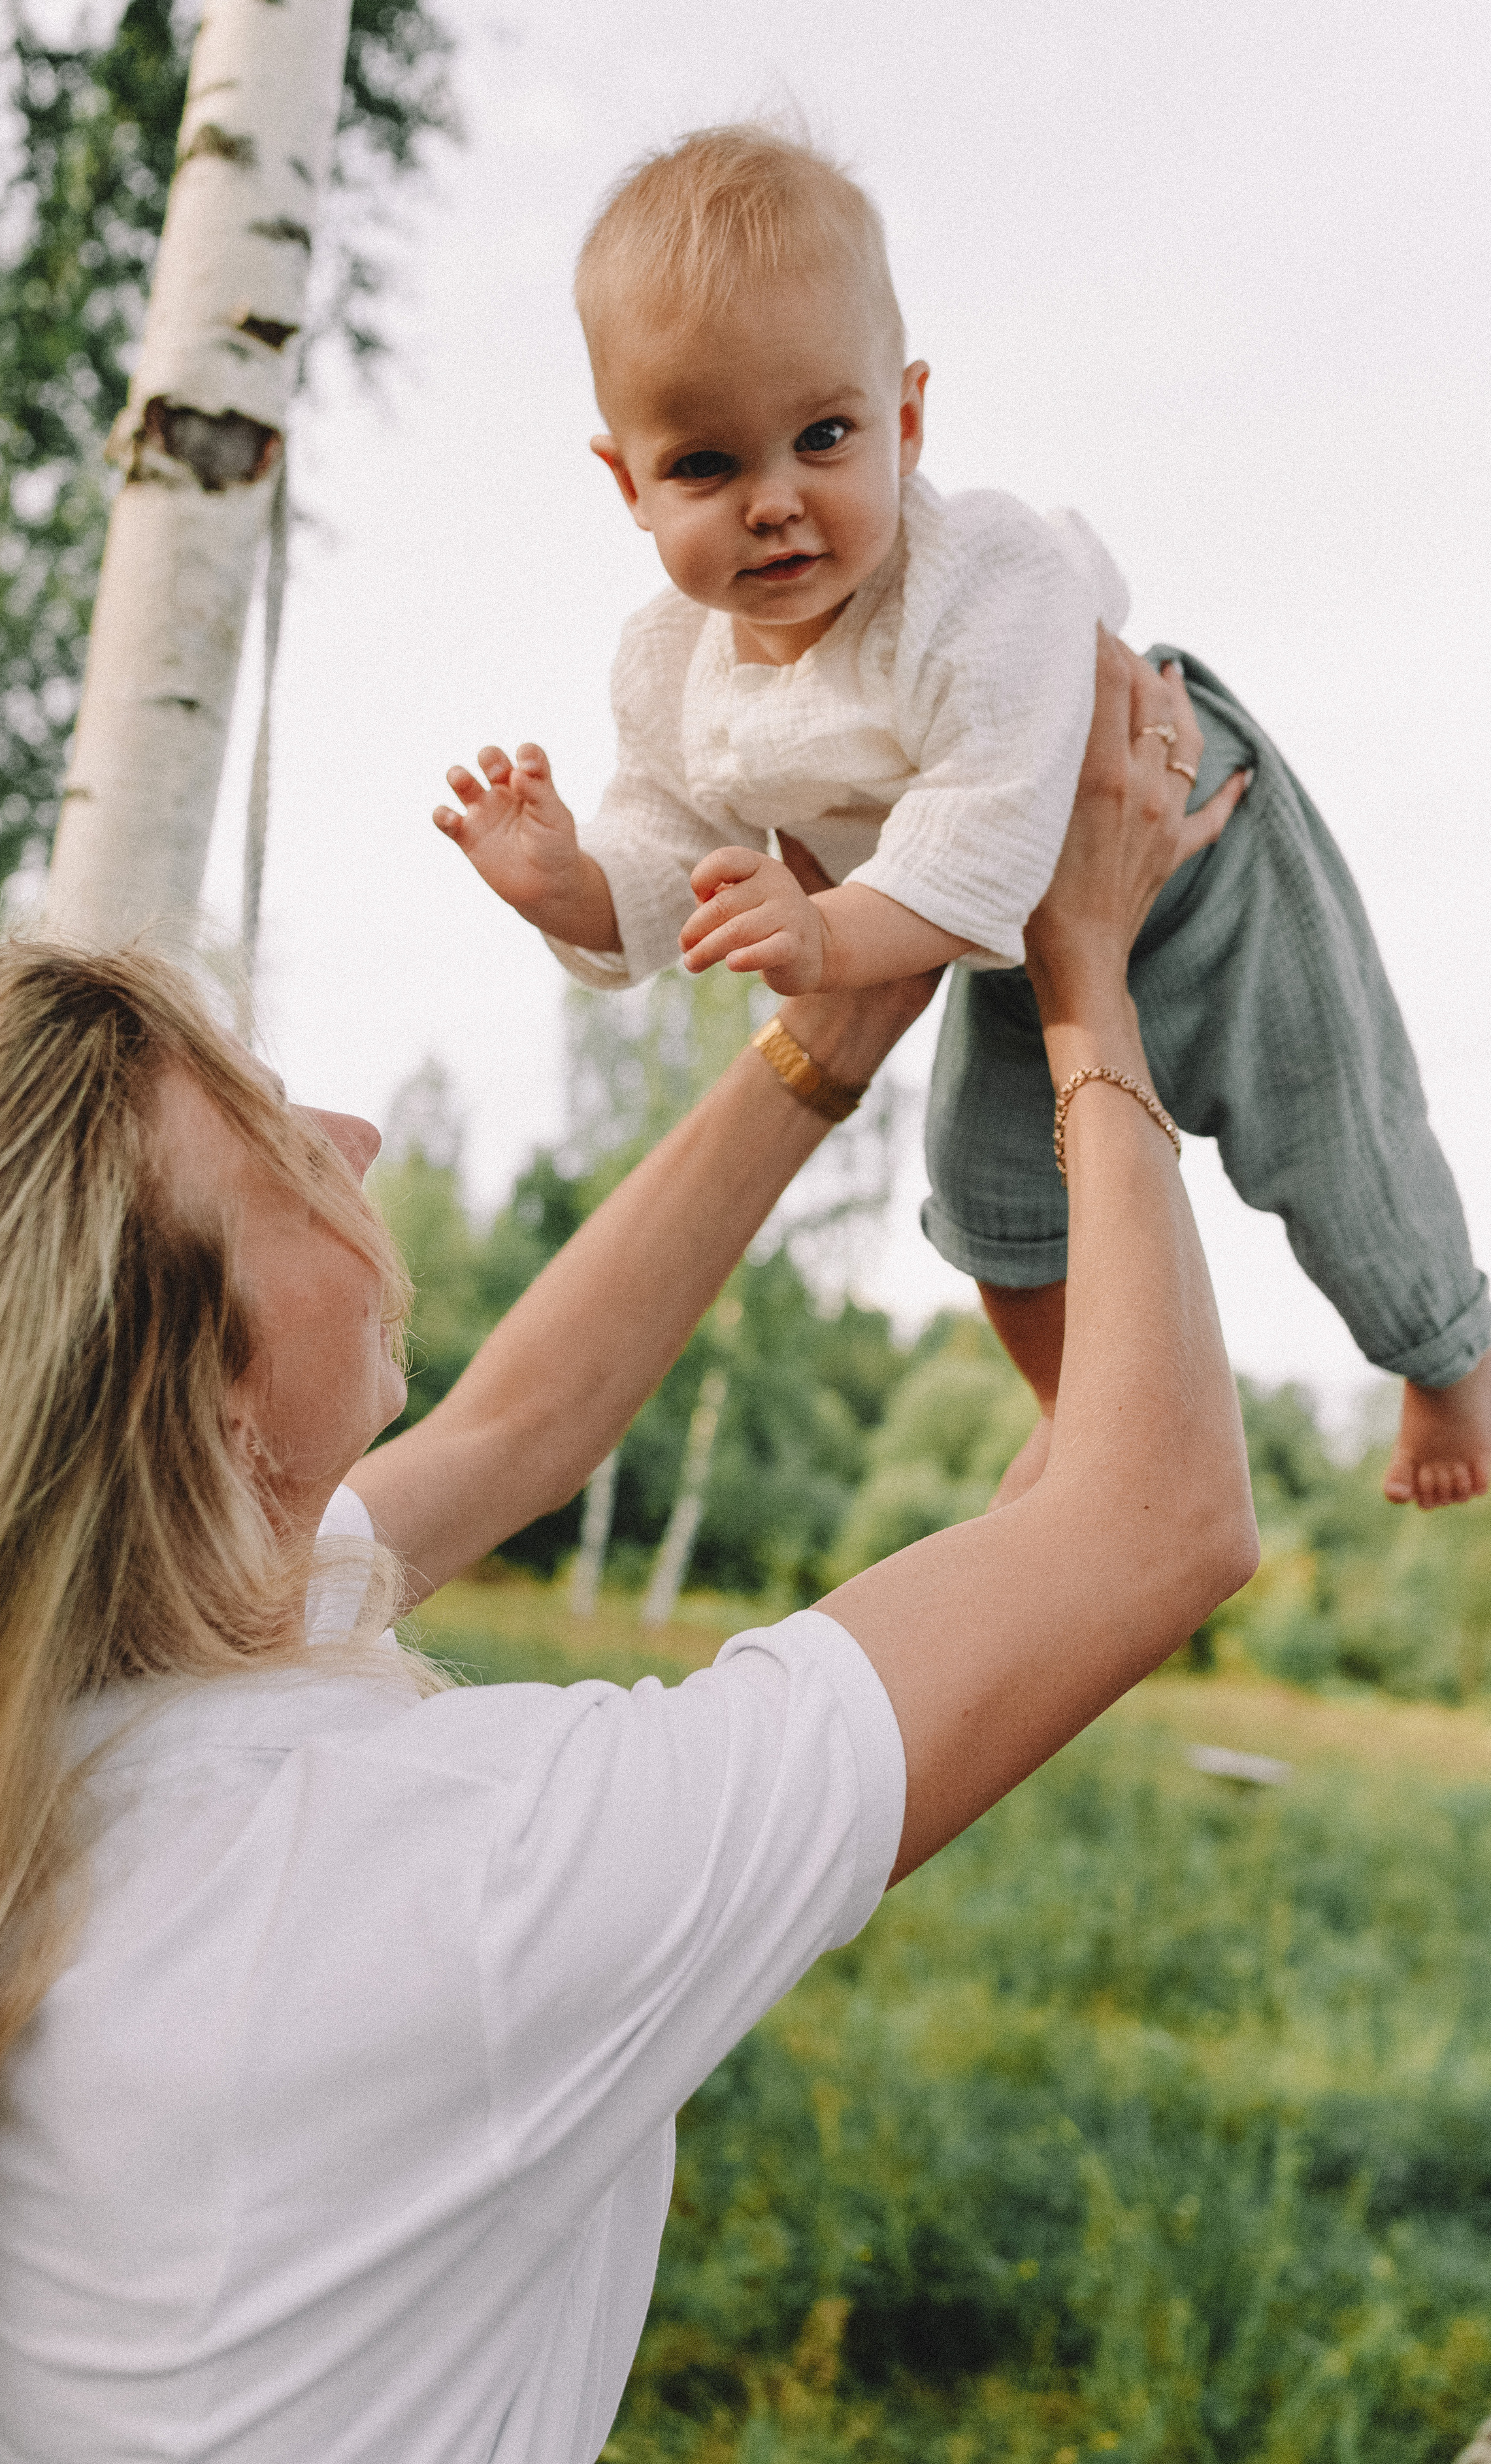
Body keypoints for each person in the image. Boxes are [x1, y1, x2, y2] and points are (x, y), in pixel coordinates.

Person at [0, 641, 1256, 2464]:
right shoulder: (436, 1887)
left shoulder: (44, 1706)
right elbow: (1158, 1518)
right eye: (275, 1144)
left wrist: (842, 1014)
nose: (351, 1131)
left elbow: (521, 1427)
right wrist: (1081, 958)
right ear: (211, 1409)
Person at [433, 123, 1490, 1512]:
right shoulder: (666, 668)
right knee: (988, 1201)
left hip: (1184, 839)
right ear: (626, 484)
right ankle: (1081, 1418)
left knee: (1321, 1117)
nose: (774, 503)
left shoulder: (973, 579)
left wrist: (814, 930)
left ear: (906, 420)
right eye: (703, 465)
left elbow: (983, 837)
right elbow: (665, 869)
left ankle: (1443, 1356)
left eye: (823, 437)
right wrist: (567, 883)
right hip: (990, 932)